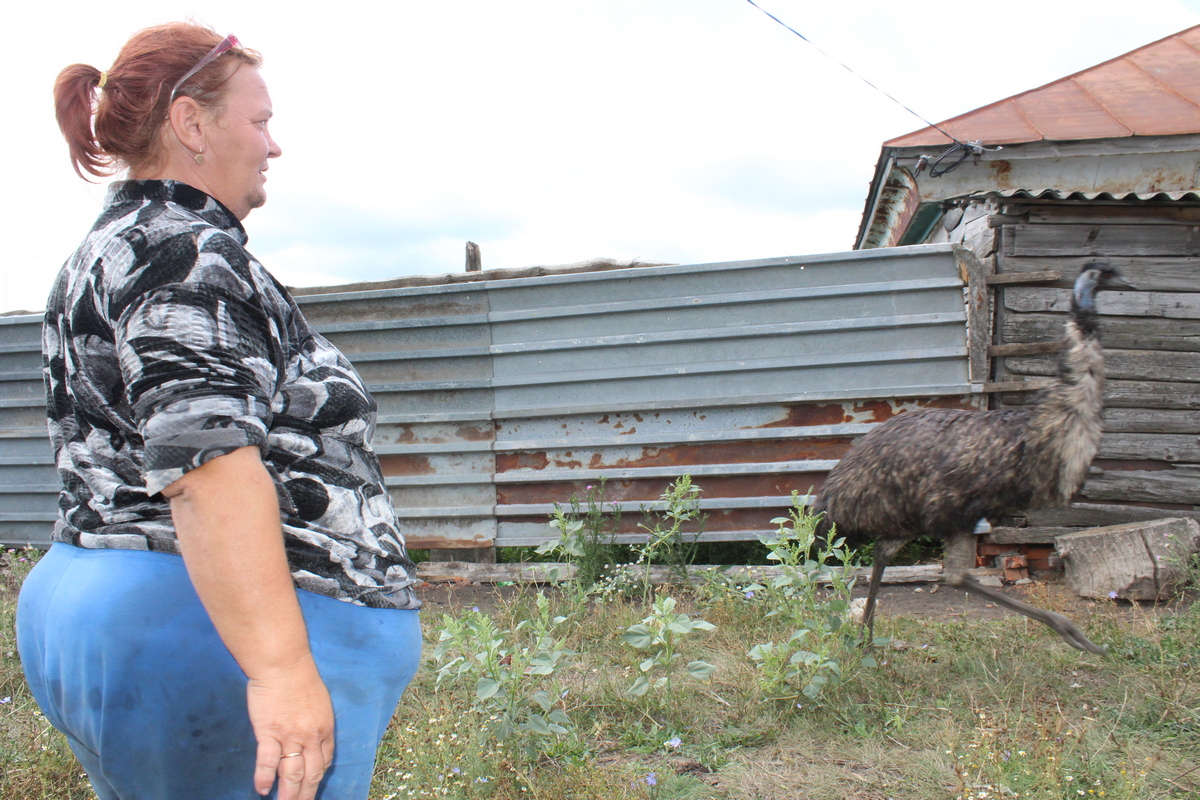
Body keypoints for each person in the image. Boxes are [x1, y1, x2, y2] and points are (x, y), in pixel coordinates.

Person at [16, 22, 422, 800]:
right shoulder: (184, 254)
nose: (274, 146)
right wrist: (280, 672)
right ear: (190, 124)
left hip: (121, 597)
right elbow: (205, 465)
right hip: (204, 629)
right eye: (260, 120)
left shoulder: (110, 248)